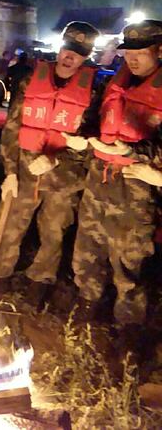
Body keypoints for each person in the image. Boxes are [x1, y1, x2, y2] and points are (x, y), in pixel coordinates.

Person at [0, 22, 101, 308]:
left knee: (53, 233)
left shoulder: (94, 93)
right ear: (60, 47)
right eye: (68, 49)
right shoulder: (30, 81)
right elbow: (12, 128)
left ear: (86, 56)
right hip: (25, 172)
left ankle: (40, 281)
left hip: (64, 179)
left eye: (78, 53)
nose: (70, 57)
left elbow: (92, 145)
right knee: (11, 225)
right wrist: (10, 172)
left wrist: (57, 159)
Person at [70, 21, 162, 351]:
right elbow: (95, 118)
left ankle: (128, 329)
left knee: (129, 258)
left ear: (159, 51)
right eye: (129, 52)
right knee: (88, 248)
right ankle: (88, 304)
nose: (133, 58)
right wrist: (83, 136)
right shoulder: (114, 84)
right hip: (100, 176)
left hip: (136, 183)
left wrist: (133, 151)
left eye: (141, 52)